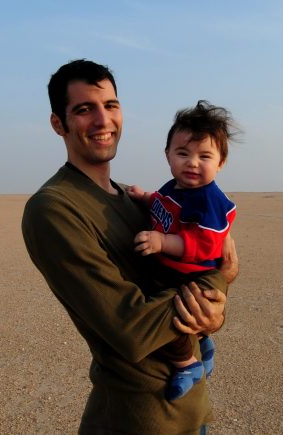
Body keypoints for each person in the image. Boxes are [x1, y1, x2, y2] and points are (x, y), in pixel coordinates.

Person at [21, 59, 238, 434]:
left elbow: (192, 266)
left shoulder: (130, 197)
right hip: (137, 418)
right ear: (59, 123)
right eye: (84, 109)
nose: (103, 121)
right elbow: (131, 327)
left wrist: (213, 316)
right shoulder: (55, 208)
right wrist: (221, 279)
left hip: (189, 411)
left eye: (111, 105)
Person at [126, 100, 238, 401]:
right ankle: (202, 344)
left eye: (205, 156)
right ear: (167, 156)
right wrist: (145, 197)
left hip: (189, 276)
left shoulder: (208, 201)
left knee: (166, 314)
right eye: (183, 154)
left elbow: (204, 244)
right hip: (169, 268)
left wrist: (162, 243)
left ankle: (187, 364)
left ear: (221, 162)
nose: (192, 163)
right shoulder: (176, 186)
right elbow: (164, 207)